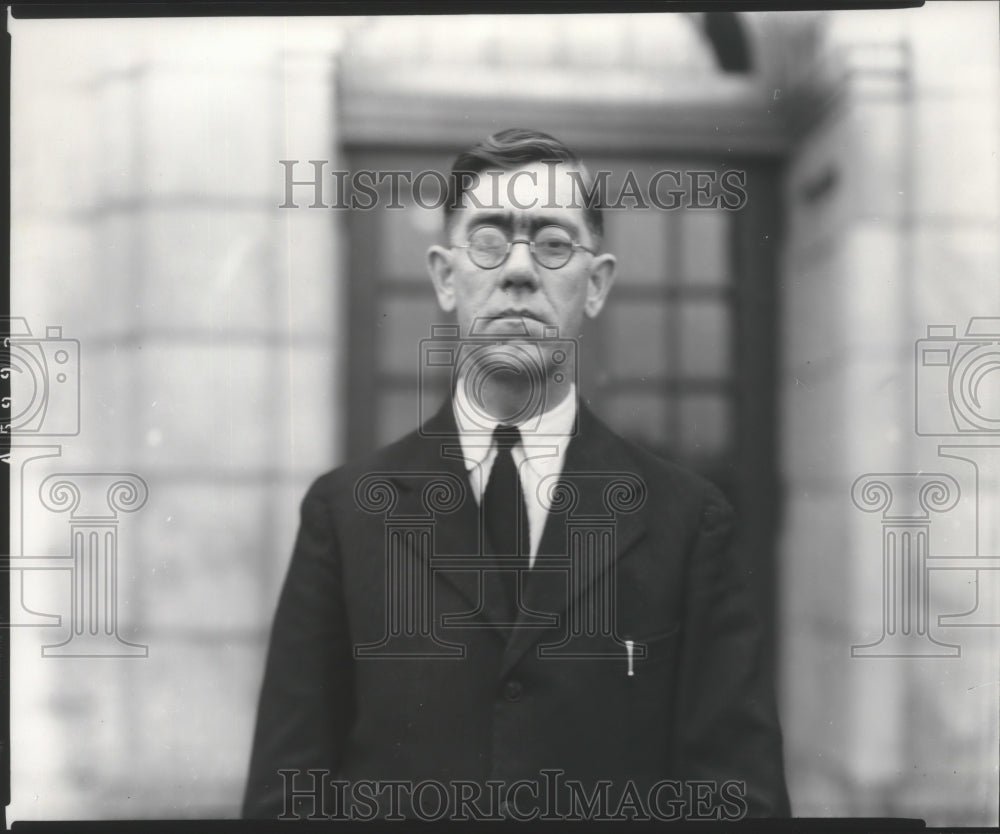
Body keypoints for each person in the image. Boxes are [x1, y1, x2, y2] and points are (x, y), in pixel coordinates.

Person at [243, 128, 790, 821]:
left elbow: (740, 798)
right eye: (490, 238)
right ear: (446, 277)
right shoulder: (345, 514)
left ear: (596, 285)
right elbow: (286, 795)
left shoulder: (685, 520)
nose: (520, 270)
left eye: (554, 242)